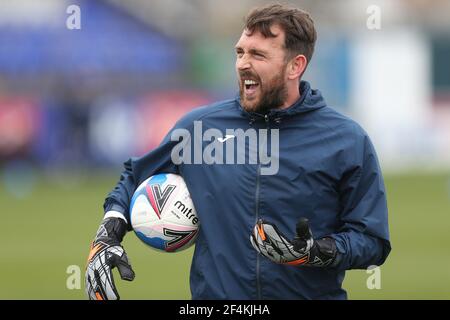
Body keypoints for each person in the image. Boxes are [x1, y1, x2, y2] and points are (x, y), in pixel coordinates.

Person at [85, 3, 391, 300]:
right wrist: (107, 234)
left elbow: (372, 241)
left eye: (258, 54)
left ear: (295, 66)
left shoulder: (346, 140)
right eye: (240, 52)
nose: (243, 63)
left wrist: (316, 251)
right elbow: (134, 177)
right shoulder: (200, 128)